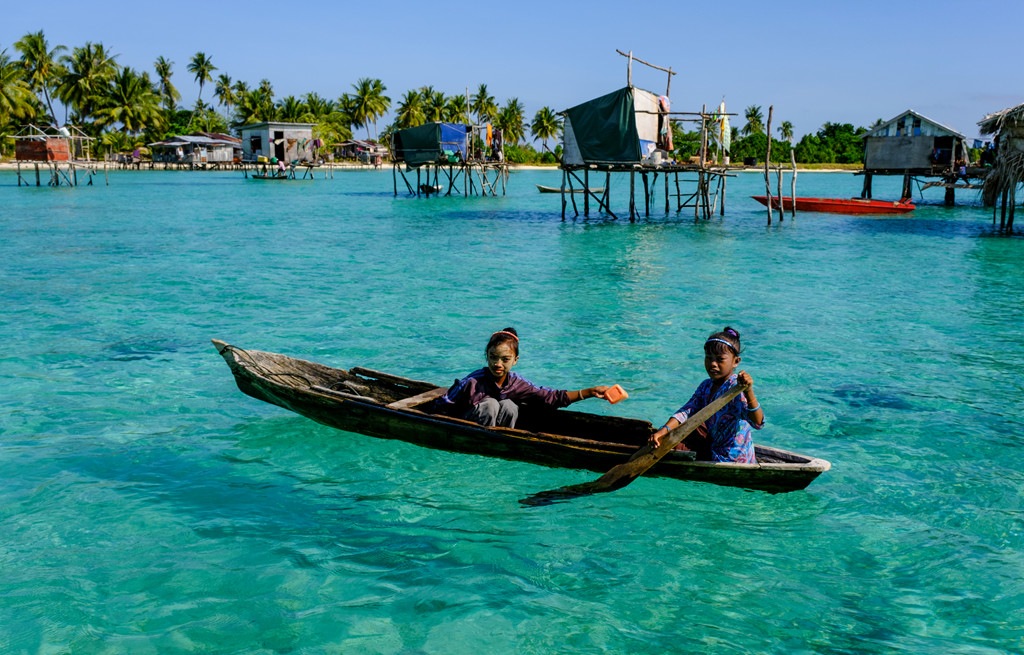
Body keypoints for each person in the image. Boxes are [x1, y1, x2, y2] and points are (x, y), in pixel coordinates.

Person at [432, 327, 611, 429]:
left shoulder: (518, 383)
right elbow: (442, 405)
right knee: (490, 404)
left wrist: (590, 392)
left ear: (515, 360)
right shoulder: (472, 381)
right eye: (493, 357)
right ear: (487, 356)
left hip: (499, 432)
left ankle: (502, 442)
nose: (498, 364)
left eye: (505, 359)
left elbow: (550, 397)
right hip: (467, 426)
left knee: (509, 405)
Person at [648, 327, 763, 463]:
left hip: (732, 458)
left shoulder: (734, 387)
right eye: (709, 358)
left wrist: (748, 391)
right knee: (679, 434)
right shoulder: (706, 386)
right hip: (714, 448)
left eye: (720, 359)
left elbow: (757, 422)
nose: (713, 364)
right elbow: (687, 411)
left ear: (736, 362)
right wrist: (664, 431)